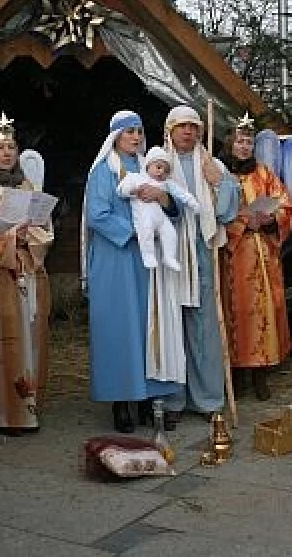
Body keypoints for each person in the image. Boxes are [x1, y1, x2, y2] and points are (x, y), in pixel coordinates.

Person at [83, 110, 186, 432]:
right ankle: (119, 403)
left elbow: (174, 207)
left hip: (145, 261)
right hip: (115, 258)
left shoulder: (148, 168)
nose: (136, 137)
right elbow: (97, 215)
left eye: (140, 131)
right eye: (130, 132)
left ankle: (144, 397)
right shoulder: (103, 172)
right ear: (116, 136)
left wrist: (162, 197)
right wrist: (137, 231)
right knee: (118, 327)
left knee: (145, 326)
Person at [163, 106, 241, 423]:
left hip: (201, 253)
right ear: (170, 130)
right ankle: (171, 401)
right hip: (169, 255)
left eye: (193, 127)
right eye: (181, 127)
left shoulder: (212, 164)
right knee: (171, 327)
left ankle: (208, 400)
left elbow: (226, 212)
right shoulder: (158, 163)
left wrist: (220, 183)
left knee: (205, 328)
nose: (188, 132)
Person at [0, 114, 54, 433]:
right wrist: (10, 238)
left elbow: (45, 229)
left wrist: (31, 234)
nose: (7, 153)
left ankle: (28, 407)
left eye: (11, 147)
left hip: (30, 270)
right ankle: (2, 412)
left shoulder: (26, 186)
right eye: (0, 147)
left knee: (31, 338)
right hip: (1, 275)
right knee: (3, 341)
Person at [222, 113, 292, 399]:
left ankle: (261, 373)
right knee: (236, 312)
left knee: (263, 310)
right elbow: (214, 212)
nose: (245, 147)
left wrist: (269, 219)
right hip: (234, 257)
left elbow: (285, 204)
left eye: (249, 141)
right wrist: (241, 223)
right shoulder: (221, 174)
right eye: (239, 141)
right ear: (229, 144)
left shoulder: (264, 173)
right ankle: (237, 373)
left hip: (263, 255)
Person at [118, 145, 198, 270]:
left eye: (166, 170)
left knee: (170, 233)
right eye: (158, 167)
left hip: (161, 218)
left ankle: (169, 256)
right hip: (145, 216)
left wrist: (192, 202)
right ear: (148, 166)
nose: (161, 172)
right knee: (146, 232)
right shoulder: (136, 178)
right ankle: (148, 255)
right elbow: (122, 189)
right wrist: (132, 190)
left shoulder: (167, 184)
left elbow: (181, 193)